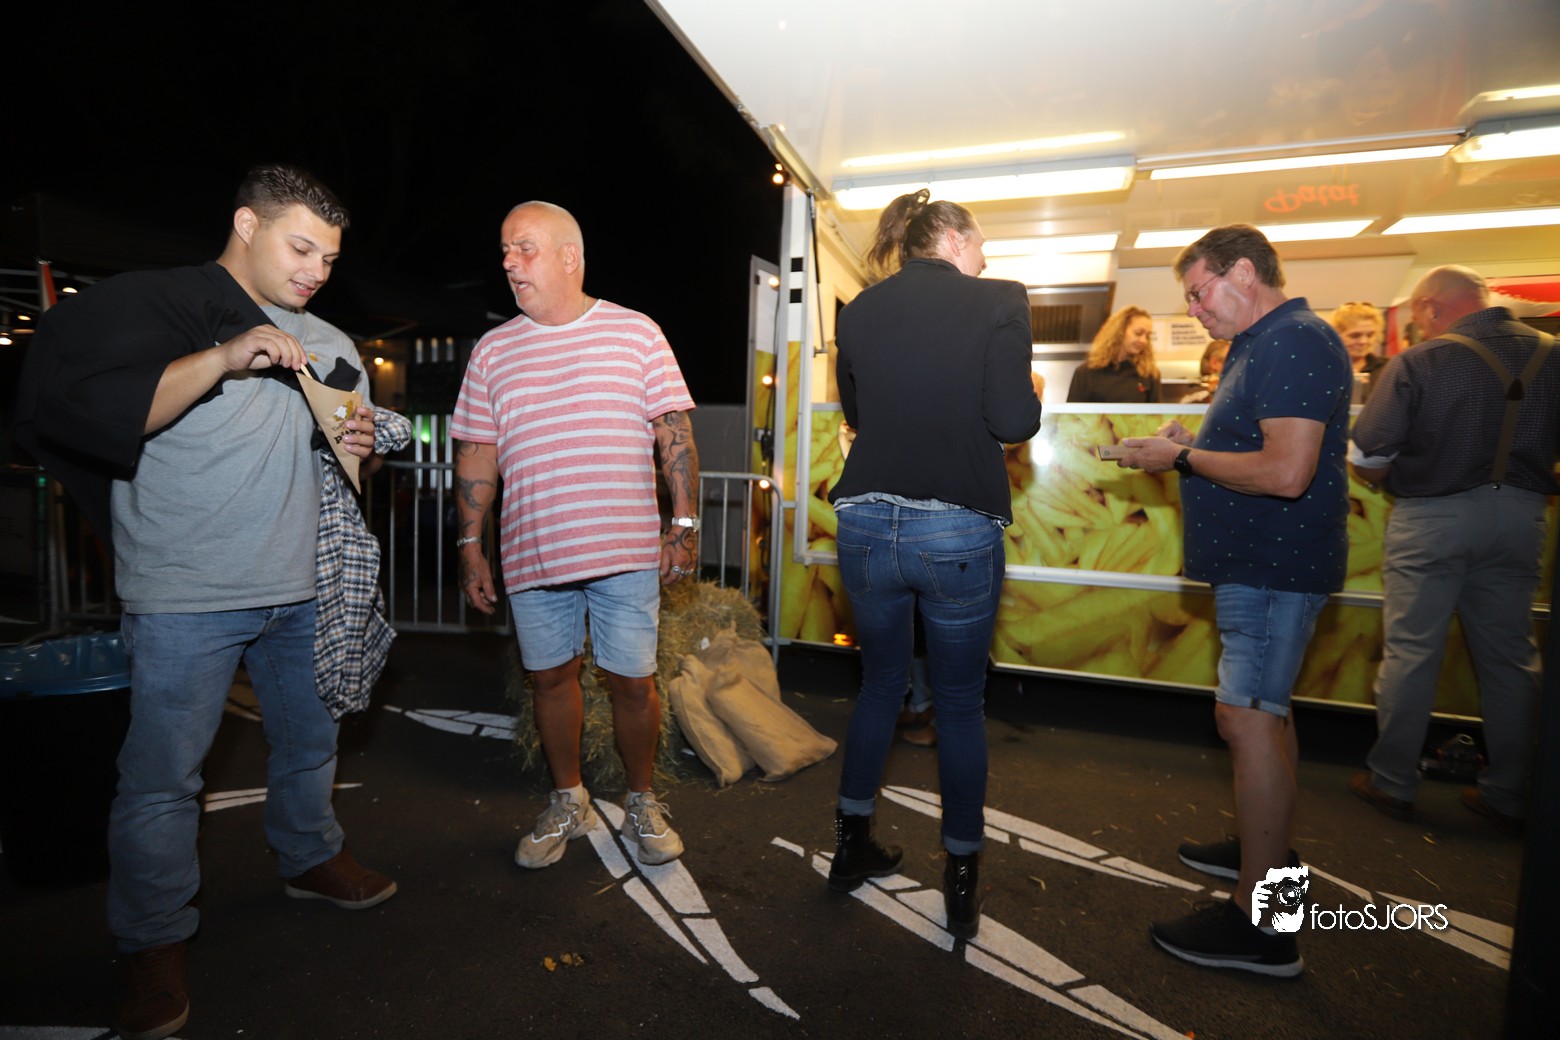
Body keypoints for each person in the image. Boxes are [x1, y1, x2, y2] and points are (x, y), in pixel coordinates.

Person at [11, 164, 397, 1040]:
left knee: (311, 742)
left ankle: (310, 857)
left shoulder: (332, 339)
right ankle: (152, 942)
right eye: (301, 248)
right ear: (246, 225)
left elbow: (352, 465)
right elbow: (116, 413)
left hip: (303, 586)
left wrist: (363, 443)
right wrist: (224, 356)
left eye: (330, 259)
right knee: (161, 783)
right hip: (186, 592)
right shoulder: (162, 310)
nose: (315, 271)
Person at [1117, 224, 1351, 976]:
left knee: (1246, 719)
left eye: (1198, 292)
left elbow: (1286, 472)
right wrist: (1190, 444)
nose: (1194, 310)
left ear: (1244, 272)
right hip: (1264, 563)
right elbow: (1264, 448)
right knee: (1267, 716)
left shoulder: (1293, 341)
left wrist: (1182, 455)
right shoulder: (1267, 342)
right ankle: (1269, 855)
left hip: (1274, 564)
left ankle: (1265, 925)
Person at [452, 201, 699, 871]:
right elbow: (476, 453)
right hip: (532, 553)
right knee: (549, 681)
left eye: (524, 248)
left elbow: (674, 433)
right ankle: (570, 798)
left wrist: (683, 525)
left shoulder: (636, 333)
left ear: (570, 257)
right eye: (505, 250)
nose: (509, 262)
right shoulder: (493, 350)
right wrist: (470, 545)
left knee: (633, 683)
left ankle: (642, 799)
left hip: (625, 552)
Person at [825, 189, 1042, 940]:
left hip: (863, 524)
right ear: (952, 238)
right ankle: (960, 878)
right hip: (954, 527)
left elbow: (856, 414)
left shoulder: (859, 310)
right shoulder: (1002, 299)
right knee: (956, 705)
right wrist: (1032, 391)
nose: (985, 257)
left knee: (880, 686)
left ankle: (850, 846)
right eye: (979, 243)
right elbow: (1012, 421)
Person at [1347, 266, 1559, 837]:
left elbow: (1369, 456)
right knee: (1511, 658)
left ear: (1430, 307)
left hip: (1432, 518)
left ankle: (1392, 782)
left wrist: (1385, 475)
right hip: (1523, 517)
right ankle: (1509, 792)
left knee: (1413, 651)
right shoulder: (1553, 356)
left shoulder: (1421, 361)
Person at [1067, 305, 1161, 403]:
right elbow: (1071, 412)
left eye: (1147, 336)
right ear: (1119, 332)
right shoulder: (1086, 372)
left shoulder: (1149, 375)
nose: (1143, 340)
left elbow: (1156, 412)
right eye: (1138, 333)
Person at [1331, 301, 1388, 400]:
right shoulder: (1325, 368)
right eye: (1355, 336)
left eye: (1370, 335)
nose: (1363, 341)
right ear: (1336, 336)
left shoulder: (1387, 367)